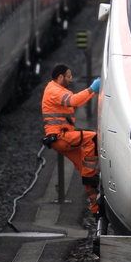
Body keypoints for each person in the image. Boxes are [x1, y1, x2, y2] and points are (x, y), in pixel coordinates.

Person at [41, 63, 102, 217]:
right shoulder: (53, 91)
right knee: (93, 138)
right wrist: (92, 88)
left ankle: (96, 210)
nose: (71, 78)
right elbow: (74, 101)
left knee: (85, 169)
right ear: (60, 77)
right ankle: (90, 175)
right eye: (69, 76)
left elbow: (77, 102)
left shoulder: (59, 90)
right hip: (61, 137)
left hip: (63, 138)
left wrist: (92, 92)